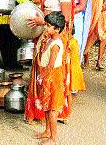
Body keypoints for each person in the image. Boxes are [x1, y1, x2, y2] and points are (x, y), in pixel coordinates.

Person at [26, 0, 74, 123]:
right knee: (41, 70)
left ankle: (55, 112)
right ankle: (41, 110)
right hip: (45, 33)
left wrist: (42, 21)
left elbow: (65, 18)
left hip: (55, 36)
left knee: (52, 73)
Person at [34, 11, 66, 145]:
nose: (45, 27)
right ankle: (47, 131)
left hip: (53, 77)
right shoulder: (50, 40)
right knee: (46, 106)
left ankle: (54, 139)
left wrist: (41, 76)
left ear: (57, 29)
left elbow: (51, 65)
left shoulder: (55, 44)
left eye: (48, 26)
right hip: (48, 76)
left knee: (52, 109)